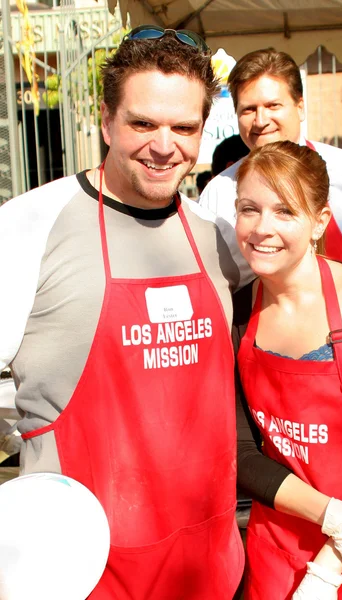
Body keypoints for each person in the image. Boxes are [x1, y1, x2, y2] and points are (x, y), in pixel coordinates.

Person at [0, 27, 245, 599]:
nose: (165, 146)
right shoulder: (27, 228)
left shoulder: (220, 238)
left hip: (209, 564)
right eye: (142, 123)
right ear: (106, 120)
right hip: (79, 571)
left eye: (184, 128)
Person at [233, 140, 342, 599]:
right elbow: (241, 452)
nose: (262, 228)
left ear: (319, 222)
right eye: (249, 208)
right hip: (275, 551)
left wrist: (329, 565)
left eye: (285, 211)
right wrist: (332, 517)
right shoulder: (234, 314)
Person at [199, 47, 342, 287]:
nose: (260, 121)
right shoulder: (218, 192)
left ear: (300, 107)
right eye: (249, 109)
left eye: (273, 105)